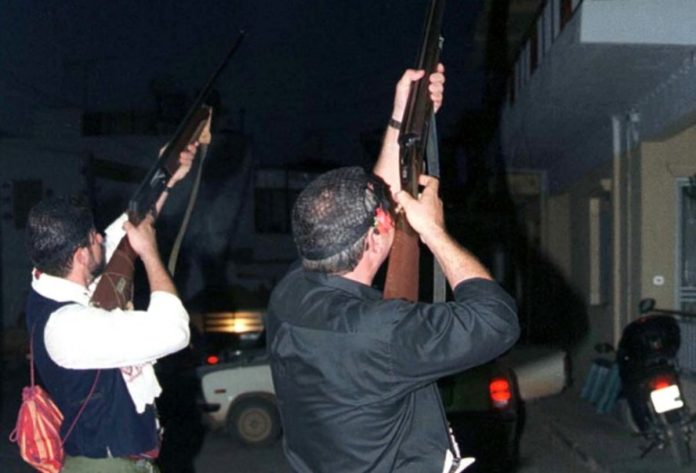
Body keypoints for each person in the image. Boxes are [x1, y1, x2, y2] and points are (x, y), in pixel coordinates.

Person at [266, 67, 520, 473]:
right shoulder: (381, 333)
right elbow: (497, 321)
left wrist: (402, 116)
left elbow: (376, 201)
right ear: (380, 229)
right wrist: (434, 231)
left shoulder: (290, 294)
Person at [24, 145, 198, 473]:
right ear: (80, 256)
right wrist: (150, 254)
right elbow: (175, 331)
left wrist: (167, 175)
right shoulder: (70, 326)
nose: (102, 239)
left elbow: (125, 231)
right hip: (105, 466)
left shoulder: (51, 283)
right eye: (94, 238)